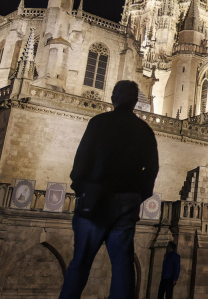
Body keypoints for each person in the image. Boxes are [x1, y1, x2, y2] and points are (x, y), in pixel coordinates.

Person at [59, 80, 159, 299]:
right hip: (126, 202)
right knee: (123, 265)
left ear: (113, 98)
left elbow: (80, 162)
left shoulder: (98, 123)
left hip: (94, 199)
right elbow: (152, 170)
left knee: (80, 262)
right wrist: (137, 195)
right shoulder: (144, 130)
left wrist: (82, 189)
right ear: (134, 101)